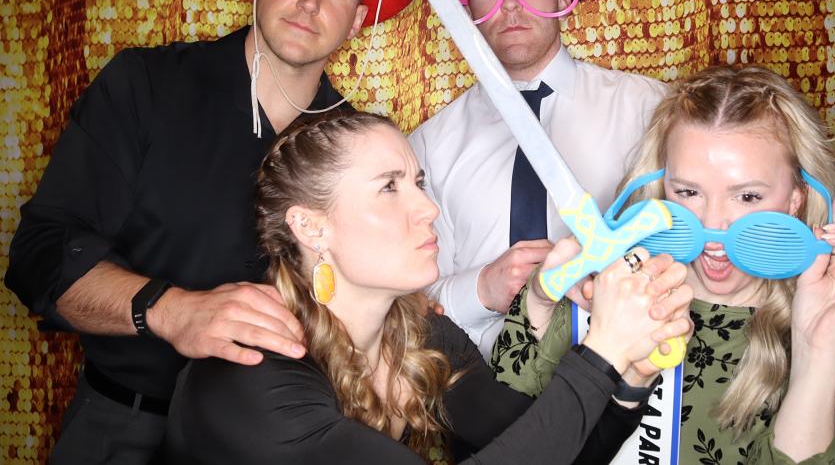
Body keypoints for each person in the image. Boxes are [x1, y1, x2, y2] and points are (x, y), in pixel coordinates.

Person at [4, 0, 418, 462]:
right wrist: (171, 310)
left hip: (278, 445)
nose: (310, 2)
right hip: (122, 428)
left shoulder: (361, 147)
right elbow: (40, 254)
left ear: (357, 18)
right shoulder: (143, 86)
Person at [409, 0, 835, 359]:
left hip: (635, 383)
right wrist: (481, 288)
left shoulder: (655, 108)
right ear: (467, 8)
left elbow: (756, 203)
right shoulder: (427, 147)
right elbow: (404, 297)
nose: (511, 6)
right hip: (482, 390)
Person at [165, 110, 695, 464]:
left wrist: (630, 376)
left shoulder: (419, 333)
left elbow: (548, 449)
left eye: (418, 183)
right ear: (311, 227)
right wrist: (600, 354)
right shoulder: (249, 371)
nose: (428, 208)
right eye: (388, 188)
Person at [493, 65, 835, 463]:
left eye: (747, 197)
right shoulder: (614, 290)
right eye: (689, 192)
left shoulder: (823, 323)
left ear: (796, 198)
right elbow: (506, 432)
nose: (713, 223)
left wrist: (816, 352)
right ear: (662, 185)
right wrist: (540, 301)